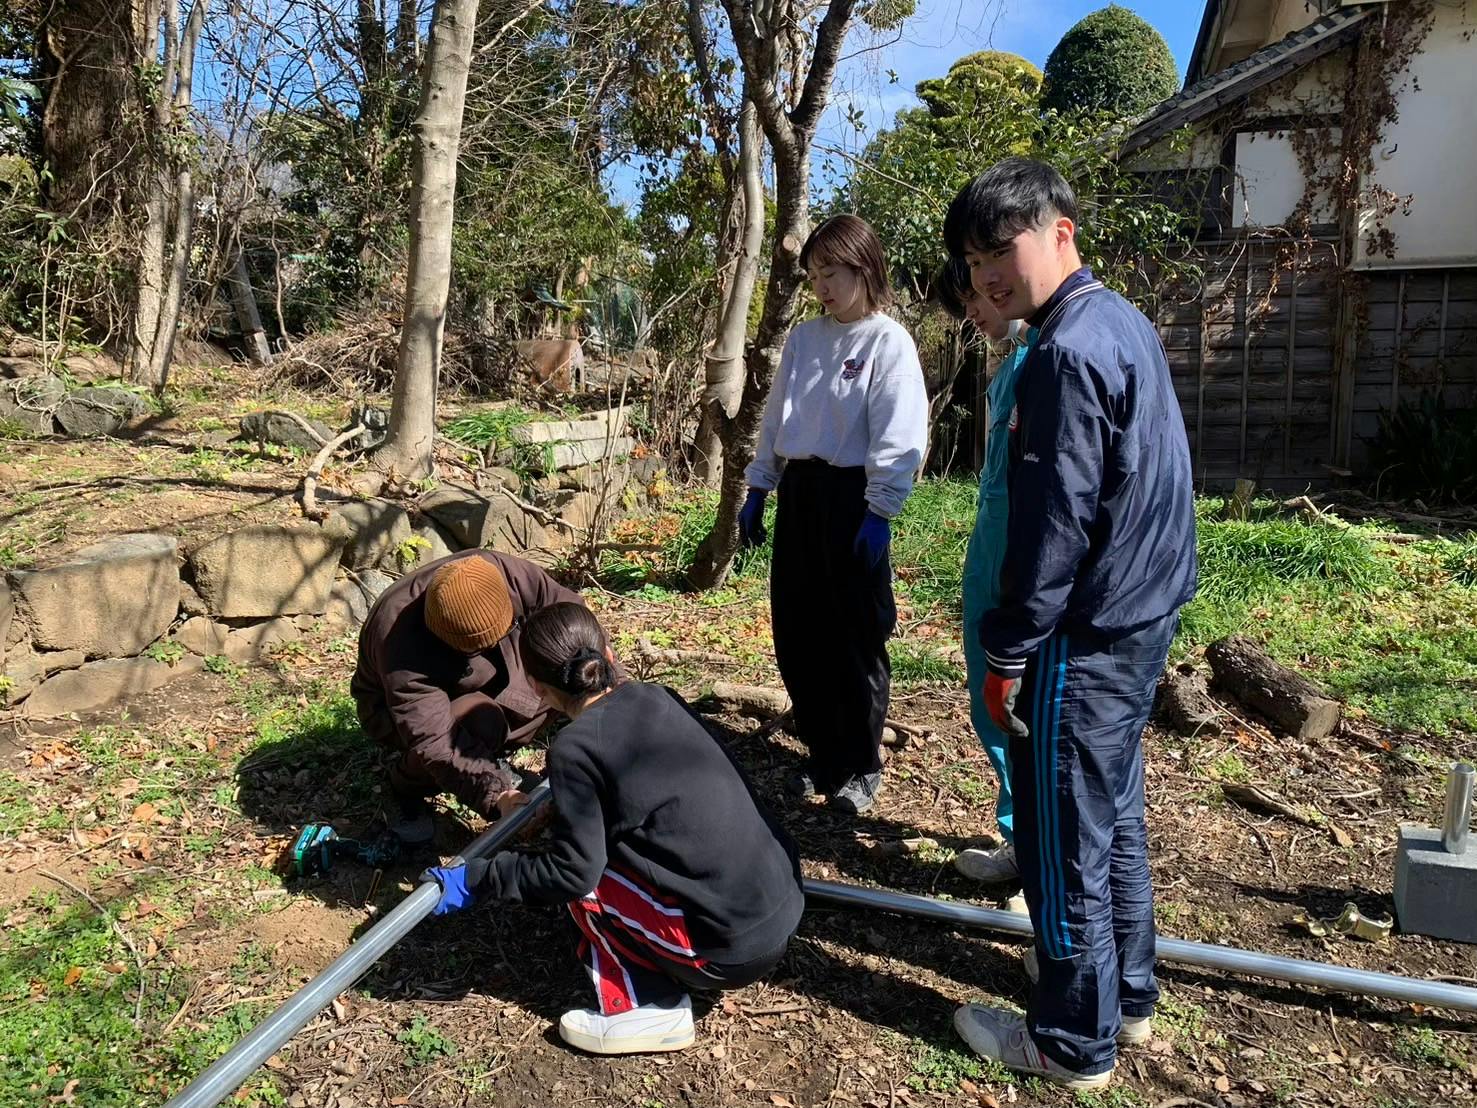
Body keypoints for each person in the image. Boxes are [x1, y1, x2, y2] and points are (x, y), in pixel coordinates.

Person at [941, 158, 1197, 1089]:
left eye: (997, 251)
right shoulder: (1119, 320)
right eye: (972, 264)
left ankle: (1067, 1041)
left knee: (1060, 836)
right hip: (1140, 615)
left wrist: (1008, 647)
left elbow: (1055, 523)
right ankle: (1126, 1000)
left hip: (1083, 634)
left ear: (1059, 230)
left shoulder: (1064, 352)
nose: (986, 279)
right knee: (1112, 814)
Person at [421, 602, 805, 1056]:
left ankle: (648, 1007)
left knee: (586, 887)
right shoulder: (657, 696)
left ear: (539, 691)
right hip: (782, 901)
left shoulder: (576, 749)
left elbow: (573, 873)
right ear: (606, 649)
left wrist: (481, 877)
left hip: (726, 953)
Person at [739, 214, 928, 814]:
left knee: (855, 634)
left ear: (864, 268)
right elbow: (777, 419)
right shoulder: (804, 339)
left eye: (832, 273)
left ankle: (860, 764)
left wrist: (881, 510)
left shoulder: (887, 340)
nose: (822, 286)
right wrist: (759, 488)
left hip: (855, 497)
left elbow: (900, 432)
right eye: (815, 274)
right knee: (799, 629)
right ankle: (821, 755)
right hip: (802, 493)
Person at [351, 550, 601, 843]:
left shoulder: (507, 575)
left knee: (559, 677)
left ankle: (489, 748)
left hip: (495, 671)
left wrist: (610, 701)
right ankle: (406, 779)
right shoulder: (397, 638)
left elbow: (577, 634)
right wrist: (497, 795)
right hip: (396, 713)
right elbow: (436, 741)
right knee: (482, 720)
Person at [934, 258, 1035, 889]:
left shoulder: (1044, 363)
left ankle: (1043, 864)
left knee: (1022, 714)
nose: (971, 310)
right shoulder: (1009, 365)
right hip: (990, 559)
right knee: (992, 709)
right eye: (963, 300)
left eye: (976, 295)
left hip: (1021, 570)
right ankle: (1021, 840)